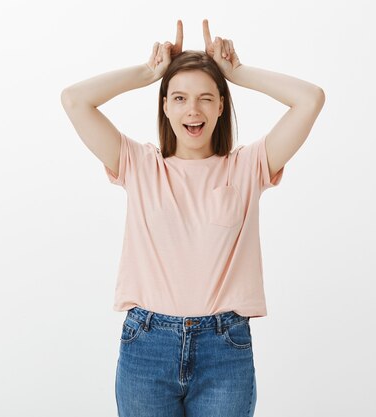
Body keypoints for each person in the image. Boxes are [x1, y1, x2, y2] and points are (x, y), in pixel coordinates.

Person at [61, 19, 324, 417]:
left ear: (221, 105)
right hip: (147, 344)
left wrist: (237, 73)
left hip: (225, 347)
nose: (193, 110)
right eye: (179, 98)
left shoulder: (248, 166)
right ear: (165, 106)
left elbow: (310, 99)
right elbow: (74, 99)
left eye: (205, 98)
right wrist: (148, 73)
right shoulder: (138, 164)